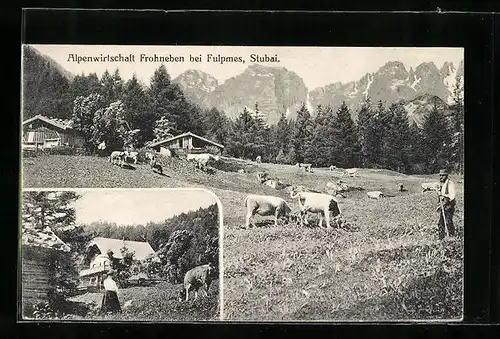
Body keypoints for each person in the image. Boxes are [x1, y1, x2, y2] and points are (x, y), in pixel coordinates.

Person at [436, 169, 456, 240]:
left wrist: (443, 195)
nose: (441, 177)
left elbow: (452, 196)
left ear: (447, 176)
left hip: (449, 206)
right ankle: (441, 238)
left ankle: (451, 238)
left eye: (443, 175)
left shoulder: (450, 184)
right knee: (441, 223)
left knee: (448, 223)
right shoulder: (443, 184)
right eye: (440, 175)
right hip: (443, 206)